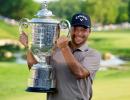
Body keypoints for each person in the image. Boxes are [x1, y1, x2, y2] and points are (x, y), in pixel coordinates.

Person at [19, 13, 101, 100]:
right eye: (75, 29)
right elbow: (35, 68)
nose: (78, 33)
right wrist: (28, 46)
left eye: (83, 30)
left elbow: (79, 73)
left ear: (89, 31)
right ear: (70, 29)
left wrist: (64, 48)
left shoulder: (93, 54)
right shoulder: (55, 49)